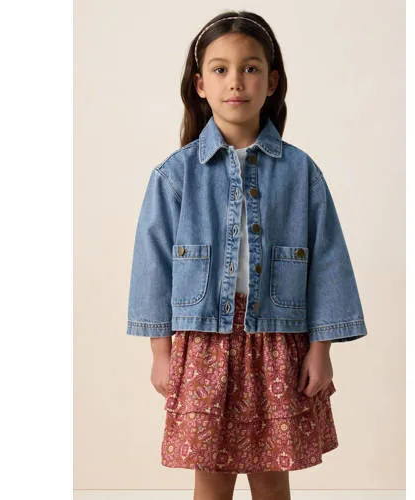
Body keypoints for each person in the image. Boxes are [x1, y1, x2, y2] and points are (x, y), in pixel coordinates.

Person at [126, 10, 368, 500]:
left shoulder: (301, 173)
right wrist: (160, 353)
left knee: (273, 476)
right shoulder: (175, 176)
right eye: (220, 69)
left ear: (271, 82)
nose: (235, 81)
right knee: (211, 476)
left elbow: (328, 261)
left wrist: (321, 350)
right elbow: (152, 266)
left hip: (278, 343)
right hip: (204, 346)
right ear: (200, 84)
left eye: (250, 68)